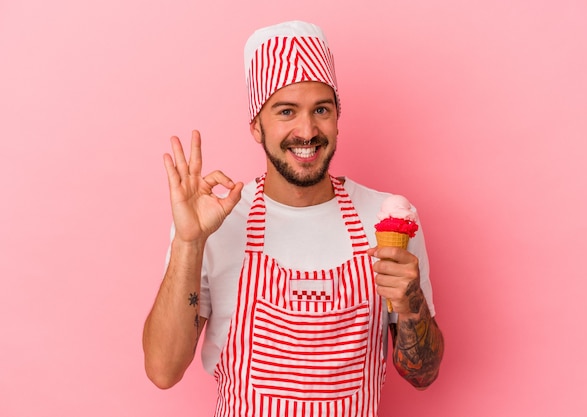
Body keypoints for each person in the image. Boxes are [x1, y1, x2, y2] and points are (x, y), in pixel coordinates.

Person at [143, 20, 443, 416]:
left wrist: (411, 303)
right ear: (256, 125)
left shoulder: (386, 220)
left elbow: (422, 375)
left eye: (321, 109)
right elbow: (163, 371)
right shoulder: (216, 223)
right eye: (286, 111)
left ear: (337, 116)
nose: (307, 130)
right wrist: (188, 242)